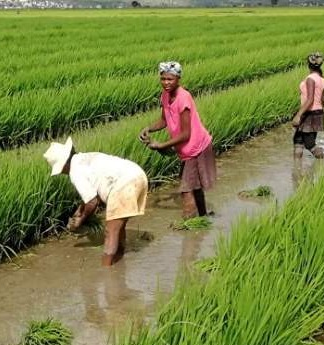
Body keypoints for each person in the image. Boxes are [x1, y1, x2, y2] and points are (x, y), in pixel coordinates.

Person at [43, 136, 148, 267]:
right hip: (138, 175)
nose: (62, 173)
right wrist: (80, 211)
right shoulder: (85, 158)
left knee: (110, 232)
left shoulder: (75, 172)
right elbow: (92, 196)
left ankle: (107, 272)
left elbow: (92, 202)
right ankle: (120, 258)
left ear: (63, 165)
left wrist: (81, 220)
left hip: (124, 184)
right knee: (118, 227)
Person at [138, 61, 215, 219]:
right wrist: (149, 128)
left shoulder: (183, 98)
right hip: (187, 148)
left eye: (170, 79)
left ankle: (190, 228)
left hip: (196, 147)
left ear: (178, 79)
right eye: (163, 79)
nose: (166, 83)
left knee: (186, 189)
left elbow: (186, 134)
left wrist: (162, 145)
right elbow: (164, 120)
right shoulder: (165, 95)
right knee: (195, 186)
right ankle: (203, 217)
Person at [293, 53, 324, 159]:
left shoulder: (310, 79)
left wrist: (298, 115)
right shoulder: (322, 79)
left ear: (309, 65)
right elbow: (322, 100)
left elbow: (310, 99)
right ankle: (297, 168)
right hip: (317, 112)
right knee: (298, 140)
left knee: (309, 144)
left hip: (309, 113)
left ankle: (323, 162)